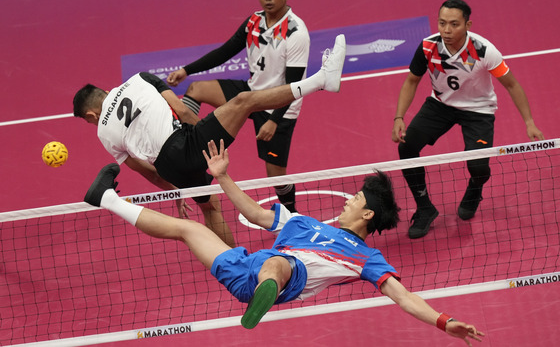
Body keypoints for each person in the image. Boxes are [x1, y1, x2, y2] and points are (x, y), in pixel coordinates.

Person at [83, 139, 485, 345]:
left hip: (281, 279)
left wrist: (443, 322)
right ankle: (107, 199)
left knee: (283, 265)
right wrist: (223, 177)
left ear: (366, 216)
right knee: (189, 230)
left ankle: (265, 295)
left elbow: (403, 296)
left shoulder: (367, 257)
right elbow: (257, 215)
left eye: (356, 200)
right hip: (247, 269)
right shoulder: (302, 221)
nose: (348, 201)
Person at [73, 34, 345, 247]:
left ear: (91, 114)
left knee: (210, 207)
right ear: (106, 91)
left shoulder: (103, 134)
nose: (92, 123)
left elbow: (146, 171)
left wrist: (177, 190)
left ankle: (235, 264)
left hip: (169, 167)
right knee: (243, 101)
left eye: (89, 121)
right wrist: (203, 133)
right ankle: (321, 81)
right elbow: (181, 110)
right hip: (186, 142)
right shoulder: (139, 79)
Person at [391, 0, 545, 239]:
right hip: (441, 105)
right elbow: (411, 81)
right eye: (442, 23)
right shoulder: (428, 47)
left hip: (478, 110)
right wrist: (399, 117)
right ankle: (424, 208)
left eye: (454, 24)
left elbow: (512, 85)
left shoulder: (483, 50)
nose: (446, 30)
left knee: (479, 166)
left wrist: (529, 122)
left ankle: (475, 187)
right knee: (407, 147)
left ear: (467, 24)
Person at [166, 0, 310, 213]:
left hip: (279, 105)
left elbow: (295, 86)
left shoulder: (296, 32)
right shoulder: (253, 21)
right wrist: (187, 70)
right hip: (251, 93)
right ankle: (190, 144)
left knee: (276, 176)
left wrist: (274, 121)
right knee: (196, 89)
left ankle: (293, 216)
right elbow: (225, 51)